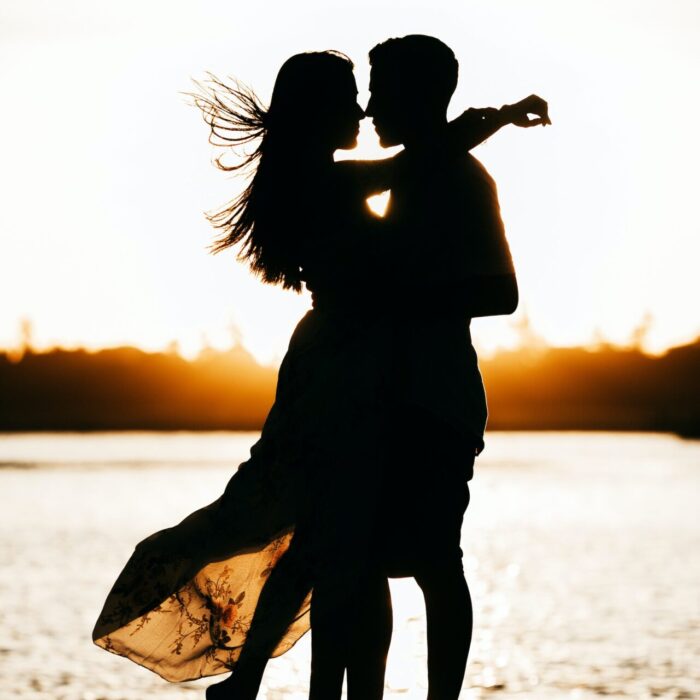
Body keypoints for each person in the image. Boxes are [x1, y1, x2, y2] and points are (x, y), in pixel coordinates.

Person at [92, 48, 547, 699]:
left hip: (341, 361)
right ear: (317, 113)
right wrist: (496, 119)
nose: (363, 108)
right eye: (350, 98)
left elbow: (418, 174)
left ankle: (266, 684)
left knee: (329, 542)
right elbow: (414, 161)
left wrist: (491, 120)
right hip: (342, 369)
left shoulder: (313, 178)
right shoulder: (325, 183)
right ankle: (280, 685)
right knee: (333, 540)